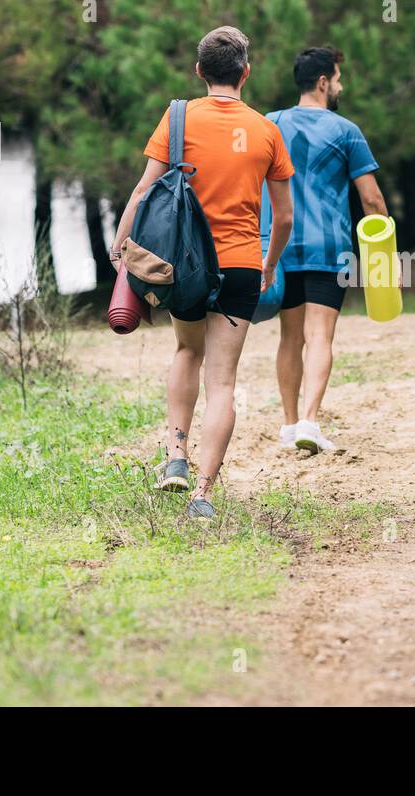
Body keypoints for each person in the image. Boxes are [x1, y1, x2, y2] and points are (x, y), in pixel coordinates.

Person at [111, 26, 293, 518]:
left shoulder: (178, 118)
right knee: (224, 382)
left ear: (199, 71)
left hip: (185, 265)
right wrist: (268, 264)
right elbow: (286, 217)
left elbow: (144, 192)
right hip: (239, 265)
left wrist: (120, 248)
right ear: (246, 73)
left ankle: (175, 458)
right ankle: (204, 495)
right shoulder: (266, 129)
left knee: (186, 350)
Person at [261, 47, 388, 452]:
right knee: (320, 337)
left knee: (289, 337)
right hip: (329, 247)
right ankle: (310, 422)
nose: (340, 85)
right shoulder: (346, 130)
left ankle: (287, 423)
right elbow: (372, 201)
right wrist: (385, 253)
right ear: (322, 83)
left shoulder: (269, 124)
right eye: (337, 78)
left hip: (280, 246)